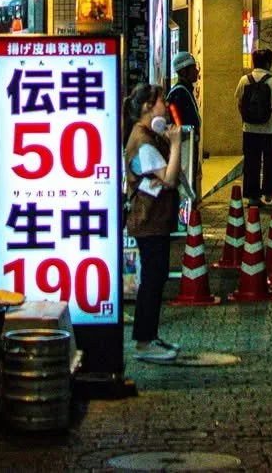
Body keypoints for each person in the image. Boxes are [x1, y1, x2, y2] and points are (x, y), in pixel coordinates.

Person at [123, 84, 182, 362]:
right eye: (160, 101)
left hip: (154, 218)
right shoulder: (143, 141)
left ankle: (150, 337)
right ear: (148, 107)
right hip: (149, 219)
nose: (165, 106)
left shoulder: (145, 135)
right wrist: (176, 143)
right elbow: (168, 178)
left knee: (155, 278)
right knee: (152, 279)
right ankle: (145, 342)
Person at [234, 49, 272, 205]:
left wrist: (246, 119)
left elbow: (240, 103)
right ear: (268, 63)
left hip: (249, 130)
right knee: (270, 161)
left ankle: (252, 197)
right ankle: (269, 192)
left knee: (251, 162)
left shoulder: (244, 80)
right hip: (270, 130)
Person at [166, 51, 201, 196]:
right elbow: (178, 124)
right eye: (193, 68)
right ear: (183, 71)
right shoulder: (179, 93)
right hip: (183, 148)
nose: (197, 71)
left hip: (188, 146)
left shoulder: (185, 91)